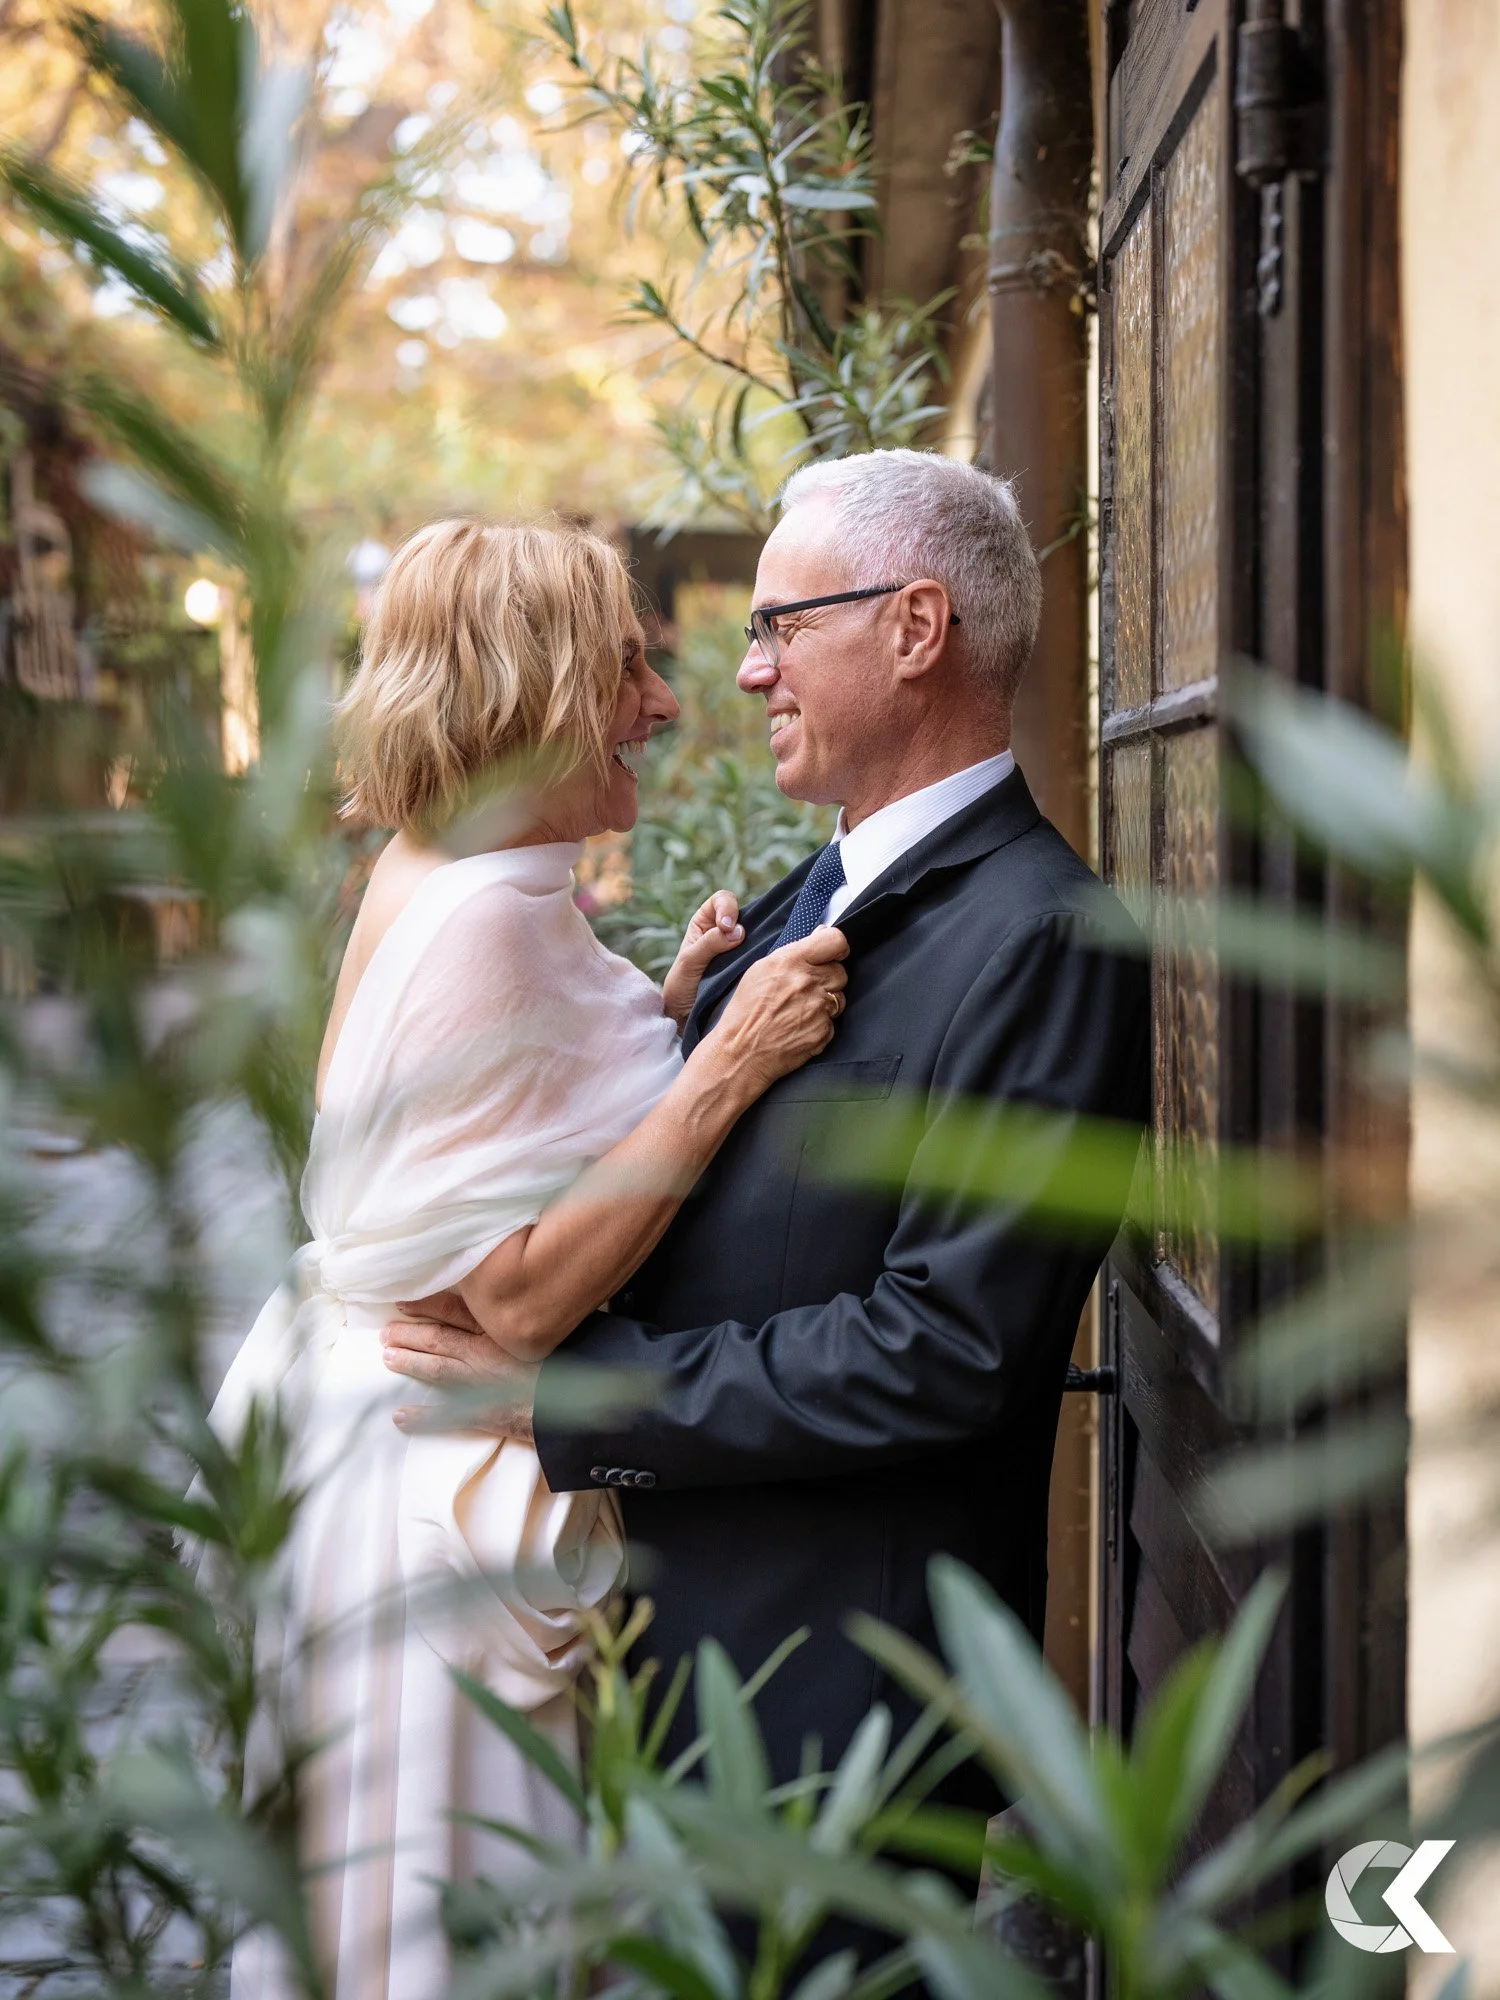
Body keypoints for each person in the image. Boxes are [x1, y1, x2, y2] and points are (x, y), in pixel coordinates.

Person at [382, 449, 1152, 1858]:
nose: (747, 676)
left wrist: (565, 1390)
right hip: (692, 1664)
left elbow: (947, 1350)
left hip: (835, 1715)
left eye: (781, 627)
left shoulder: (1043, 937)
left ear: (916, 631)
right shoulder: (819, 890)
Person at [206, 517, 849, 2000]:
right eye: (631, 664)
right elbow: (508, 1298)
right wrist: (720, 1069)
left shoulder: (447, 865)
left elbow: (487, 1126)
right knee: (458, 1917)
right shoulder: (486, 919)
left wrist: (659, 1005)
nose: (666, 700)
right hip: (436, 1479)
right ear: (538, 683)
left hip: (364, 1448)